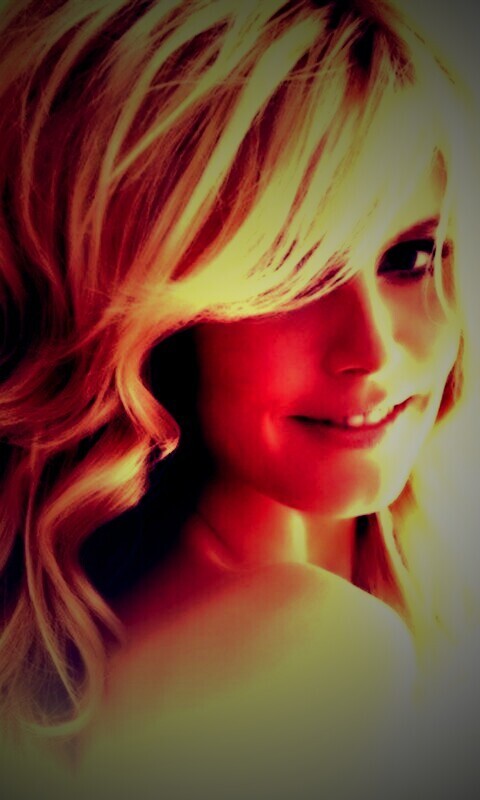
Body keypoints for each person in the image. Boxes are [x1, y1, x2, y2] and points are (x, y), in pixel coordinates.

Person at [0, 0, 479, 796]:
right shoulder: (310, 654)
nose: (374, 351)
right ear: (160, 320)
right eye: (294, 279)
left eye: (411, 257)